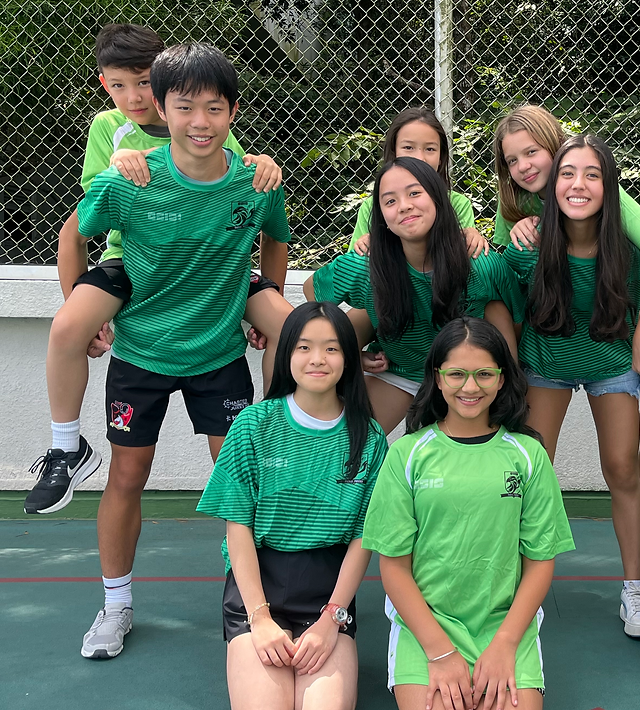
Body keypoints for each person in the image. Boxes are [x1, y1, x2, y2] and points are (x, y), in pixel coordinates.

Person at [52, 43, 291, 659]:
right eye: (185, 107)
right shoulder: (128, 178)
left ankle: (260, 599)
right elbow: (75, 233)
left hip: (217, 355)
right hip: (142, 355)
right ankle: (115, 605)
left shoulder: (255, 180)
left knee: (242, 480)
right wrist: (83, 305)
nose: (200, 122)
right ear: (161, 108)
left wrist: (264, 303)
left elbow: (273, 242)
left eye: (214, 108)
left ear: (234, 112)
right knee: (127, 475)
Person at [24, 24, 290, 516]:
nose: (134, 96)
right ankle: (65, 447)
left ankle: (280, 434)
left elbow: (240, 176)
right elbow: (82, 219)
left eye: (143, 82)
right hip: (132, 256)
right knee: (66, 328)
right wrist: (85, 314)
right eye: (118, 85)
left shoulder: (208, 122)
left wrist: (263, 162)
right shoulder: (111, 129)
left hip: (216, 264)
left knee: (296, 328)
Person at [361, 317, 574, 710]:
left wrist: (506, 644)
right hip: (427, 628)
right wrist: (440, 652)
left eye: (484, 374)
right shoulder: (407, 455)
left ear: (503, 379)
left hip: (505, 629)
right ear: (438, 378)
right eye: (457, 374)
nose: (470, 387)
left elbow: (540, 561)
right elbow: (393, 567)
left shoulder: (529, 455)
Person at [494, 104, 640, 542]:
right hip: (557, 335)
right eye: (512, 160)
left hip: (627, 309)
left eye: (532, 153)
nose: (524, 166)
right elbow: (509, 285)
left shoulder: (599, 189)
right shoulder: (519, 208)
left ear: (556, 148)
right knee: (533, 456)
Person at [503, 133, 640, 638]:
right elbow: (491, 290)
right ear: (553, 184)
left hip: (610, 360)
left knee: (621, 469)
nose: (578, 184)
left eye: (592, 174)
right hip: (547, 361)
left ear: (609, 186)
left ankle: (636, 584)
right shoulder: (527, 240)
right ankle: (508, 584)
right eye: (568, 173)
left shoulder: (631, 251)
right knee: (528, 467)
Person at [197, 302, 388, 710]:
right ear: (286, 354)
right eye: (304, 347)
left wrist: (331, 619)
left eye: (332, 348)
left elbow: (363, 536)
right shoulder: (252, 424)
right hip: (258, 586)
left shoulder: (369, 437)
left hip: (328, 590)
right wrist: (260, 619)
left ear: (350, 359)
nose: (317, 358)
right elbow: (238, 528)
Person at [304, 157, 523, 434]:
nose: (404, 205)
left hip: (466, 378)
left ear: (436, 198)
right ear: (381, 217)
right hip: (399, 371)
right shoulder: (365, 265)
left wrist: (507, 387)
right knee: (349, 446)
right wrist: (347, 354)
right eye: (390, 201)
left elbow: (514, 323)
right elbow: (313, 291)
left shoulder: (481, 262)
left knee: (457, 463)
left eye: (414, 193)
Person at [348, 107, 487, 257]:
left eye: (430, 149)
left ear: (441, 158)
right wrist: (362, 246)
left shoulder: (458, 204)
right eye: (408, 147)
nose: (420, 158)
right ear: (393, 152)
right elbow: (352, 270)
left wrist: (472, 237)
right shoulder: (371, 208)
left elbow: (467, 258)